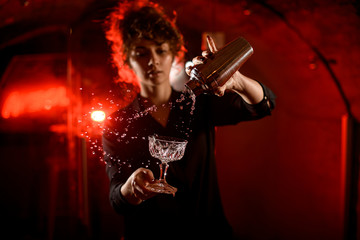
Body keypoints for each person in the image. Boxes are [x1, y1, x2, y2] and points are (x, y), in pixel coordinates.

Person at [102, 0, 276, 239]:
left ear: (174, 53)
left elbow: (263, 106)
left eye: (160, 50)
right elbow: (117, 200)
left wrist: (237, 82)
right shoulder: (118, 124)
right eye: (141, 53)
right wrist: (130, 188)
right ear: (126, 60)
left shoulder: (198, 103)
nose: (153, 61)